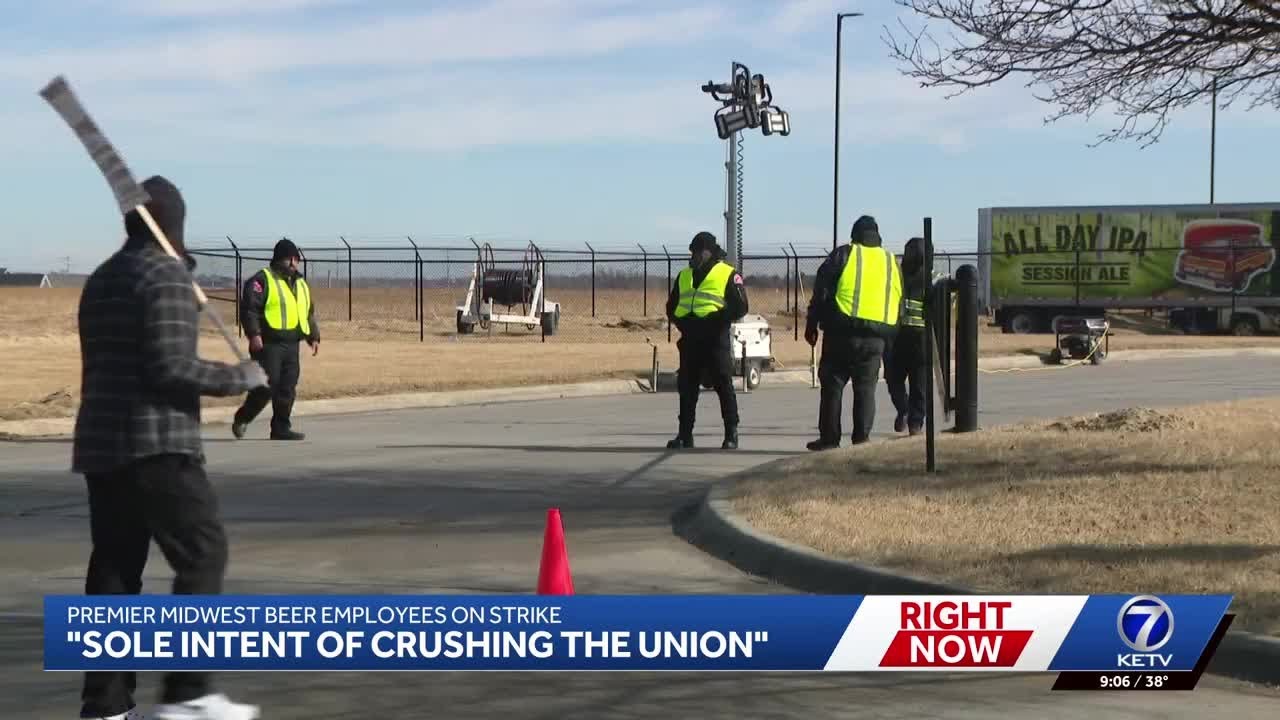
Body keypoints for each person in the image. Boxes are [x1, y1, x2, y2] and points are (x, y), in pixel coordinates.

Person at [72, 175, 267, 720]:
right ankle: (188, 695)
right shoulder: (164, 276)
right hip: (158, 445)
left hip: (102, 448)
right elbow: (170, 368)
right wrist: (240, 377)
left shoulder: (103, 278)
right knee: (203, 554)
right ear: (173, 224)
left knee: (114, 574)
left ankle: (105, 707)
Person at [804, 215, 903, 450]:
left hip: (842, 332)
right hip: (876, 338)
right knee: (866, 389)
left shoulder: (844, 254)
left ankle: (829, 439)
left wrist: (812, 323)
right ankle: (861, 440)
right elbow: (899, 299)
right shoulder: (891, 261)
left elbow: (822, 290)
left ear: (855, 235)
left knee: (832, 385)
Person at [664, 231, 748, 450]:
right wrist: (684, 324)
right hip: (691, 339)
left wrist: (715, 320)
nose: (692, 256)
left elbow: (740, 307)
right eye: (692, 252)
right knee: (687, 388)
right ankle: (684, 435)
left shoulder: (728, 274)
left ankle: (731, 433)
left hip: (715, 339)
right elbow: (671, 307)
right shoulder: (684, 276)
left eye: (696, 252)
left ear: (707, 252)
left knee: (723, 385)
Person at [231, 237, 319, 441]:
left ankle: (281, 427)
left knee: (287, 386)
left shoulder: (301, 284)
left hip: (291, 344)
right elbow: (250, 309)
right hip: (269, 343)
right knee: (267, 386)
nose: (293, 263)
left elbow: (307, 312)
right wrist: (254, 334)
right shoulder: (262, 279)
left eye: (296, 259)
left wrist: (313, 336)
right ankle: (243, 418)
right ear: (280, 259)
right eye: (289, 258)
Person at [884, 236, 931, 435]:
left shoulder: (896, 275)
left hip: (900, 336)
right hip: (915, 338)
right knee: (916, 383)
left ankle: (911, 417)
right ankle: (912, 420)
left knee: (896, 379)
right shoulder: (932, 277)